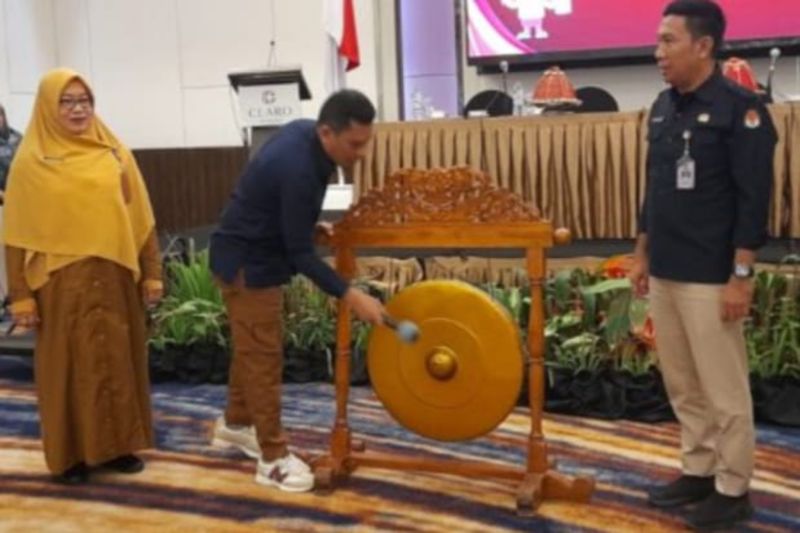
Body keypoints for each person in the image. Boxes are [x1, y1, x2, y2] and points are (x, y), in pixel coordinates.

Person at [629, 1, 776, 530]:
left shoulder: (742, 110)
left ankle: (733, 489)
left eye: (668, 41)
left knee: (723, 389)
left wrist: (742, 276)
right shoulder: (664, 106)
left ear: (704, 45)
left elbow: (753, 199)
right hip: (666, 267)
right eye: (658, 41)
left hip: (713, 274)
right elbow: (653, 189)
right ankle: (698, 469)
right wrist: (642, 253)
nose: (658, 52)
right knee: (684, 383)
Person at [209, 89, 385, 493]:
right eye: (355, 144)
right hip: (248, 266)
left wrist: (305, 225)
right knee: (263, 358)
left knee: (251, 347)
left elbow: (276, 208)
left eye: (366, 142)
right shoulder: (298, 167)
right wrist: (352, 295)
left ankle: (236, 424)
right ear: (327, 132)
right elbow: (301, 255)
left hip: (250, 252)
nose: (361, 153)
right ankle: (272, 459)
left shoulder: (307, 138)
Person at [3, 68, 163, 484]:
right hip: (60, 284)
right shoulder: (30, 163)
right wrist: (20, 296)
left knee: (119, 361)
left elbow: (141, 218)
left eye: (84, 101)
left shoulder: (114, 153)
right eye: (67, 101)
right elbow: (16, 236)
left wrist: (152, 273)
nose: (78, 109)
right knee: (67, 368)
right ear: (47, 106)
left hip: (114, 278)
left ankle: (119, 446)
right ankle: (70, 455)